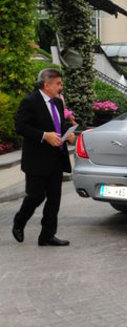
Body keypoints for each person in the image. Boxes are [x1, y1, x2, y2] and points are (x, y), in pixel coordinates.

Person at [12, 68, 76, 246]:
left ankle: (47, 235)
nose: (61, 87)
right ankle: (19, 221)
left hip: (57, 158)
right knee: (36, 196)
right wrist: (44, 136)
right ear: (46, 85)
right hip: (36, 160)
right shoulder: (30, 102)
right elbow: (20, 126)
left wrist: (69, 135)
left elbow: (59, 124)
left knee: (54, 199)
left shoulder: (58, 102)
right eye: (58, 84)